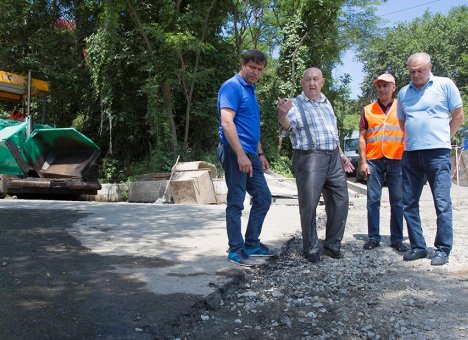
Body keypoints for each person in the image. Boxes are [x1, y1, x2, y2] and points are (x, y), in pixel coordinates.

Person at [278, 67, 354, 263]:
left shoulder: (326, 102)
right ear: (302, 83)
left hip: (333, 157)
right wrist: (282, 114)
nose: (312, 83)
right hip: (309, 157)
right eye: (308, 79)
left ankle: (332, 245)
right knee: (309, 204)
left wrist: (342, 155)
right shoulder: (294, 105)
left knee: (340, 201)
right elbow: (285, 128)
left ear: (322, 82)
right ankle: (311, 247)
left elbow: (332, 133)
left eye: (315, 79)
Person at [397, 52, 464, 266]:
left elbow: (458, 116)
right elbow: (402, 122)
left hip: (438, 154)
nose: (416, 75)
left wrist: (444, 138)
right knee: (409, 203)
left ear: (430, 67)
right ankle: (418, 246)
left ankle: (442, 249)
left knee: (442, 203)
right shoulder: (403, 92)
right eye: (412, 71)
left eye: (420, 71)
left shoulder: (445, 85)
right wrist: (414, 141)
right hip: (411, 154)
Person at [217, 49, 277, 267]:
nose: (256, 72)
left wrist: (259, 153)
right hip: (235, 152)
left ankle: (251, 243)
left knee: (263, 197)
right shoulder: (232, 87)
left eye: (260, 69)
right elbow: (227, 123)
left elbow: (250, 126)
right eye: (252, 67)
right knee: (236, 200)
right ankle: (235, 248)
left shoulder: (251, 91)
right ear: (242, 65)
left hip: (251, 153)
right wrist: (241, 154)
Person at [359, 73, 407, 253]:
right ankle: (373, 237)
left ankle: (396, 239)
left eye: (386, 85)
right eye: (379, 86)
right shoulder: (368, 110)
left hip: (397, 159)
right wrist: (363, 161)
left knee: (398, 201)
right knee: (373, 200)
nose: (382, 89)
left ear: (394, 87)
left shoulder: (402, 108)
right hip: (374, 161)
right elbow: (362, 137)